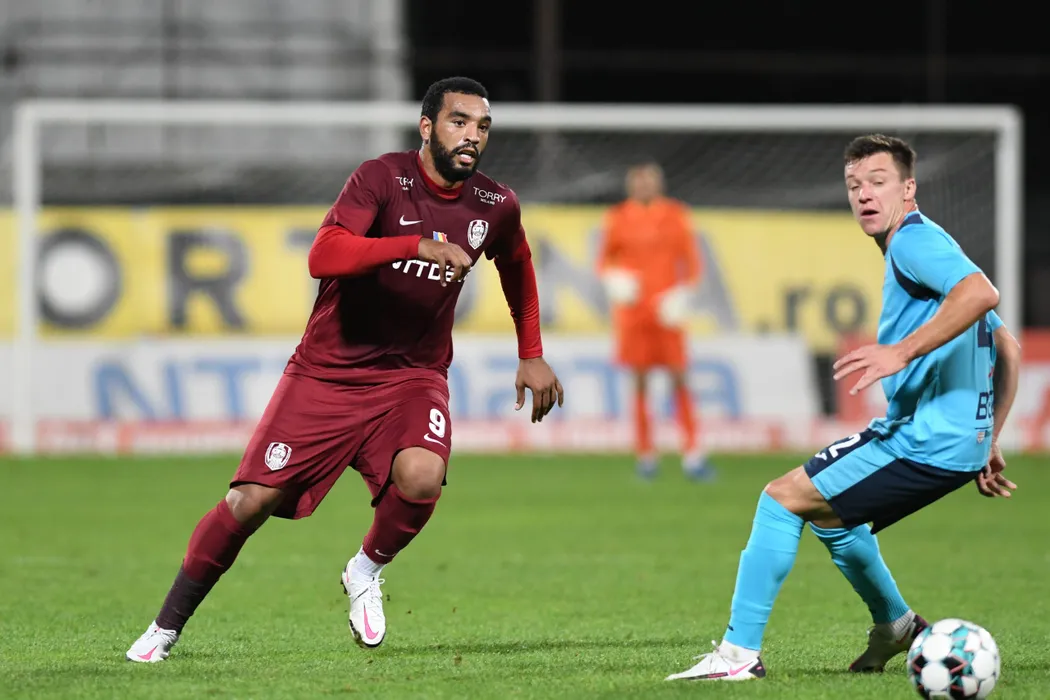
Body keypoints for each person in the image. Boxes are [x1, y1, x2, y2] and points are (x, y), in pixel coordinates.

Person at [125, 76, 564, 662]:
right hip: (327, 372)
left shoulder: (495, 204)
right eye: (459, 122)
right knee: (250, 501)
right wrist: (413, 245)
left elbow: (518, 264)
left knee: (422, 476)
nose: (472, 136)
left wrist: (530, 352)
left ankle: (365, 569)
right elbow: (323, 254)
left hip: (413, 375)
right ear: (427, 127)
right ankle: (165, 626)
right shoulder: (380, 178)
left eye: (482, 126)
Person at [666, 134, 1021, 682]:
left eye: (878, 182)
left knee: (781, 500)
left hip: (925, 439)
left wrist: (901, 351)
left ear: (908, 188)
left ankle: (737, 656)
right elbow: (1008, 347)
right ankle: (897, 625)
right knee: (834, 520)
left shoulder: (913, 242)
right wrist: (989, 437)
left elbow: (982, 294)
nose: (864, 195)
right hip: (952, 442)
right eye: (854, 185)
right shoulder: (934, 245)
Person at [596, 162, 712, 480]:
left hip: (667, 312)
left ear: (659, 184)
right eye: (639, 182)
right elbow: (604, 261)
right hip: (634, 313)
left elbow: (692, 262)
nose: (645, 187)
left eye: (650, 181)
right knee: (639, 381)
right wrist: (614, 280)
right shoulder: (618, 217)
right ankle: (646, 454)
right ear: (631, 186)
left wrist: (683, 294)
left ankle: (693, 453)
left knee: (679, 377)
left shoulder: (675, 215)